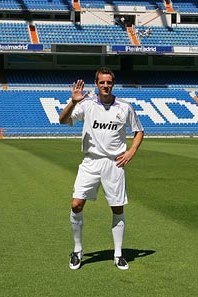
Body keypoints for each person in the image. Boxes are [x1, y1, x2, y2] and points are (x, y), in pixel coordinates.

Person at [59, 67, 144, 271]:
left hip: (114, 163)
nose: (105, 85)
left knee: (117, 208)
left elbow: (139, 131)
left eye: (109, 82)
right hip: (90, 162)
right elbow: (63, 120)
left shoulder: (125, 107)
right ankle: (77, 251)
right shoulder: (86, 104)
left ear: (113, 84)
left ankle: (118, 254)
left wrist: (131, 151)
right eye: (102, 82)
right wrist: (73, 101)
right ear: (96, 84)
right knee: (76, 204)